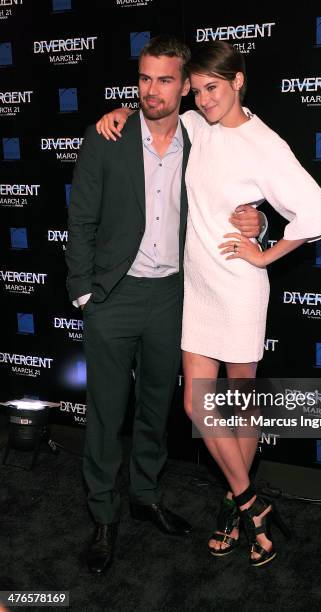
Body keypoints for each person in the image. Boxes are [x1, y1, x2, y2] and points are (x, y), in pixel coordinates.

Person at [97, 42, 321, 567]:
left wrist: (266, 251)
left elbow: (318, 212)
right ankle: (254, 503)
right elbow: (152, 116)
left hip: (238, 286)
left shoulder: (265, 144)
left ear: (238, 81)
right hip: (198, 288)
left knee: (241, 404)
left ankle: (236, 508)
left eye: (215, 87)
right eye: (199, 88)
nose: (205, 98)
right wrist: (120, 111)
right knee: (198, 406)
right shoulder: (194, 124)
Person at [65, 35, 263, 574]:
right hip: (115, 296)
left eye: (165, 80)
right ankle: (104, 516)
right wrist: (85, 292)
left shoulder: (202, 139)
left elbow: (243, 190)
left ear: (186, 86)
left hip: (175, 296)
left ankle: (145, 496)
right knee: (107, 412)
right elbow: (80, 219)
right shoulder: (108, 135)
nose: (152, 91)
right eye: (144, 79)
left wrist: (258, 221)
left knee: (155, 409)